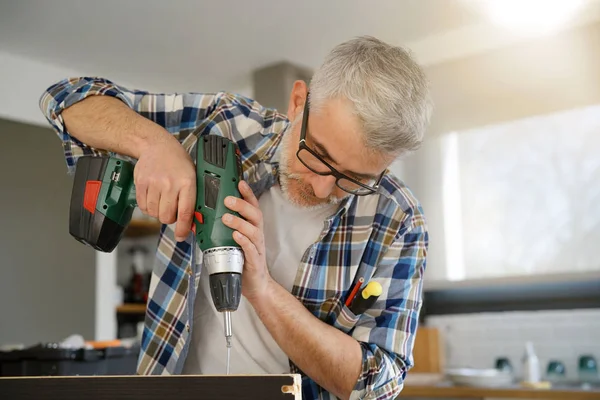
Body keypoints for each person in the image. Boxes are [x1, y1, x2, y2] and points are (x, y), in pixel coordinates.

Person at [39, 36, 432, 400]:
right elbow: (66, 98)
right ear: (298, 102)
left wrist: (262, 289)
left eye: (355, 179)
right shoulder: (225, 125)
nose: (324, 188)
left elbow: (379, 384)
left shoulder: (398, 220)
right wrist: (156, 144)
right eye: (320, 156)